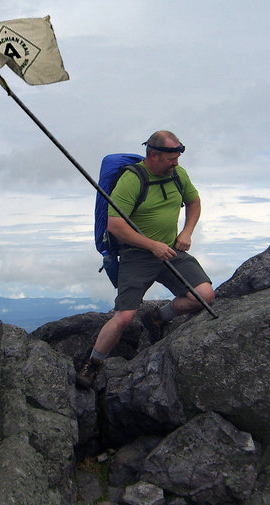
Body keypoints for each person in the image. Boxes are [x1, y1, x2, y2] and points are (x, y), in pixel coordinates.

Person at [76, 130, 215, 388]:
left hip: (172, 250)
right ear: (153, 155)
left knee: (204, 296)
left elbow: (194, 202)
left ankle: (157, 318)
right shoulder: (132, 180)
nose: (176, 164)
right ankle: (93, 363)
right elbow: (115, 226)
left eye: (178, 158)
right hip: (138, 255)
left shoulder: (178, 175)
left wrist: (186, 232)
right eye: (171, 159)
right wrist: (152, 246)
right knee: (124, 317)